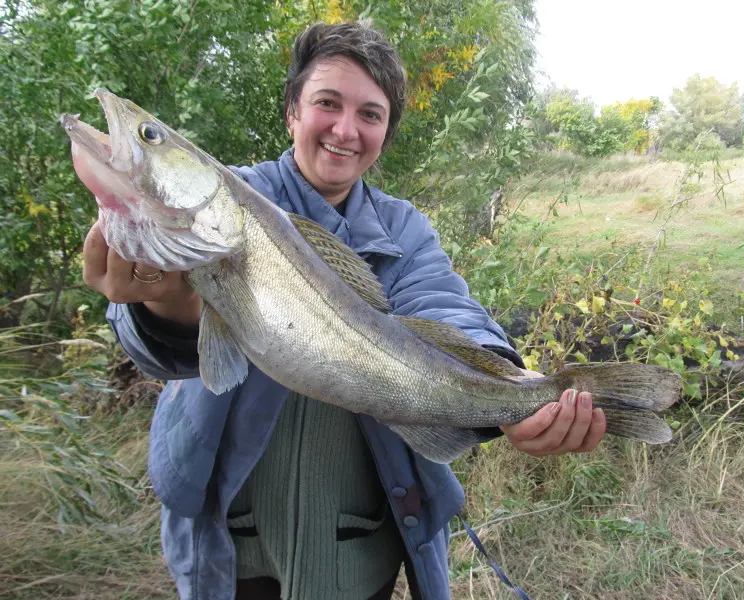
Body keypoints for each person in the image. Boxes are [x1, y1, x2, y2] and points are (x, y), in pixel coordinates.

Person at [81, 21, 606, 600]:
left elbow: (444, 305)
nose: (345, 129)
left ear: (386, 133)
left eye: (371, 114)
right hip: (233, 545)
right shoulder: (228, 202)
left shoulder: (404, 227)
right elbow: (158, 351)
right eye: (326, 103)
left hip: (360, 545)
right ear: (292, 113)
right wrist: (163, 302)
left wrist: (510, 389)